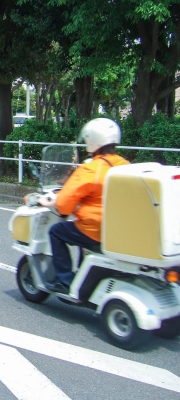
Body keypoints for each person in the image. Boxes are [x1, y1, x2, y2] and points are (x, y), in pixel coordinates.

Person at [42, 118, 129, 294]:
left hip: (95, 230)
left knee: (57, 231)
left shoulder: (90, 169)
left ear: (93, 141)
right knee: (80, 229)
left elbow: (64, 206)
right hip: (118, 231)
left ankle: (65, 280)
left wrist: (48, 201)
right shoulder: (124, 165)